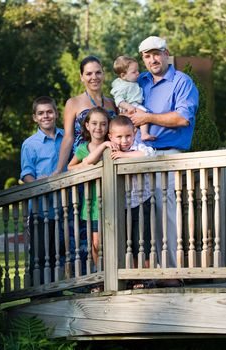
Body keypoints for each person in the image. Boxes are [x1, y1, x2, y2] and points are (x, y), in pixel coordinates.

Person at [128, 36, 199, 276]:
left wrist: (147, 118)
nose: (152, 60)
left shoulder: (182, 82)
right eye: (146, 56)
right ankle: (144, 274)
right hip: (138, 157)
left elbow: (183, 118)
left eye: (156, 54)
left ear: (166, 53)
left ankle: (171, 274)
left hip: (168, 157)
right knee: (138, 218)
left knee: (166, 217)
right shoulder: (141, 81)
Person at [20, 96, 64, 285]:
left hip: (66, 204)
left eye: (49, 112)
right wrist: (38, 183)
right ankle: (37, 296)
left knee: (61, 252)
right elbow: (26, 173)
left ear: (56, 113)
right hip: (40, 208)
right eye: (41, 113)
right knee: (39, 253)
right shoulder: (30, 144)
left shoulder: (66, 138)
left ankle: (58, 291)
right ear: (35, 118)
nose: (46, 116)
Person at [108, 116, 155, 284]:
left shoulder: (139, 147)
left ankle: (148, 277)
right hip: (123, 205)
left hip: (143, 201)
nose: (124, 140)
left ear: (134, 133)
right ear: (110, 137)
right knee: (130, 242)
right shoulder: (110, 152)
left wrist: (123, 155)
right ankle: (135, 278)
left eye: (128, 136)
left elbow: (148, 154)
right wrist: (117, 153)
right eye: (119, 137)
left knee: (144, 240)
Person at [67, 107, 114, 268]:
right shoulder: (83, 148)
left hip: (112, 199)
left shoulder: (113, 145)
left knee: (113, 240)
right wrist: (85, 166)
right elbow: (71, 167)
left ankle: (114, 272)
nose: (98, 127)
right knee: (95, 243)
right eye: (94, 123)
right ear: (87, 125)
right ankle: (100, 275)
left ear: (108, 126)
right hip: (92, 204)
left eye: (103, 124)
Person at [55, 55, 116, 174]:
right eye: (88, 74)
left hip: (109, 162)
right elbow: (68, 137)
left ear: (103, 74)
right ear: (82, 77)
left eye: (98, 72)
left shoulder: (112, 103)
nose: (94, 77)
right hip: (84, 164)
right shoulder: (73, 103)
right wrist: (59, 169)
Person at [110, 55, 155, 142]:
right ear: (123, 75)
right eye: (134, 72)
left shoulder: (131, 82)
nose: (138, 73)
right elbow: (119, 101)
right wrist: (129, 107)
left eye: (137, 70)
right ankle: (144, 134)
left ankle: (135, 138)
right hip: (131, 106)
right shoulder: (121, 86)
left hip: (134, 105)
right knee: (144, 115)